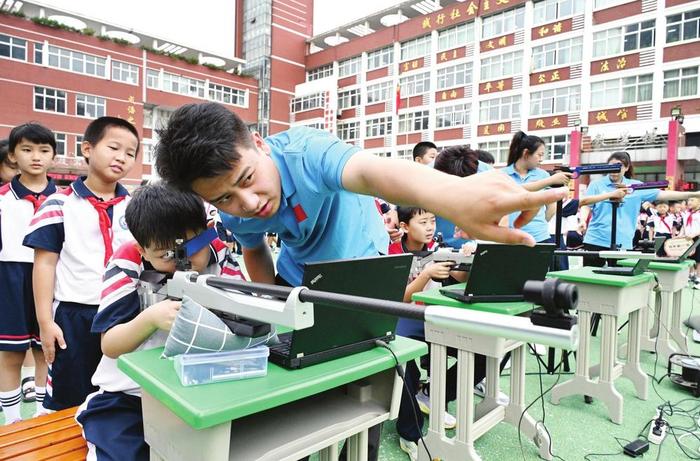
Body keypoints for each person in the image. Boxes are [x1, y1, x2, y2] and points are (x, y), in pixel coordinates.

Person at [153, 102, 566, 461]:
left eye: (246, 179)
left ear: (260, 144)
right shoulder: (235, 212)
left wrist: (450, 195)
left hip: (365, 273)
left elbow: (370, 172)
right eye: (223, 198)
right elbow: (254, 248)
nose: (248, 204)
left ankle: (391, 436)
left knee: (370, 387)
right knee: (305, 395)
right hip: (303, 282)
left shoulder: (307, 152)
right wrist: (273, 306)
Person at [75, 184, 245, 461]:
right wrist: (150, 319)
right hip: (130, 395)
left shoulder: (218, 254)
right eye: (167, 254)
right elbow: (111, 344)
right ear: (142, 249)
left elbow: (245, 311)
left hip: (199, 390)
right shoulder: (128, 262)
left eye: (191, 247)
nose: (183, 262)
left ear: (205, 231)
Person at [24, 117, 139, 411]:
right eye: (114, 147)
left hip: (123, 315)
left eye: (130, 153)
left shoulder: (137, 208)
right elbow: (44, 266)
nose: (121, 158)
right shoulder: (59, 204)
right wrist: (45, 322)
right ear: (87, 148)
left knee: (120, 394)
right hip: (74, 315)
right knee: (67, 396)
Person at [0, 123, 57, 423]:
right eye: (27, 149)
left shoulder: (63, 199)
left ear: (53, 156)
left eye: (44, 150)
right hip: (10, 278)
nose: (36, 156)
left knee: (45, 350)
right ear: (12, 155)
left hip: (50, 279)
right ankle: (11, 420)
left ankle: (39, 415)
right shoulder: (2, 198)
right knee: (9, 353)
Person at [580, 151, 700, 267]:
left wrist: (694, 194)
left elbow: (664, 194)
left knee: (620, 280)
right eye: (611, 167)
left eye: (619, 167)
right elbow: (586, 204)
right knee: (590, 278)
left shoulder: (635, 187)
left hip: (623, 240)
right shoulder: (596, 184)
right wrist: (583, 220)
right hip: (595, 239)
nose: (614, 170)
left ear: (626, 168)